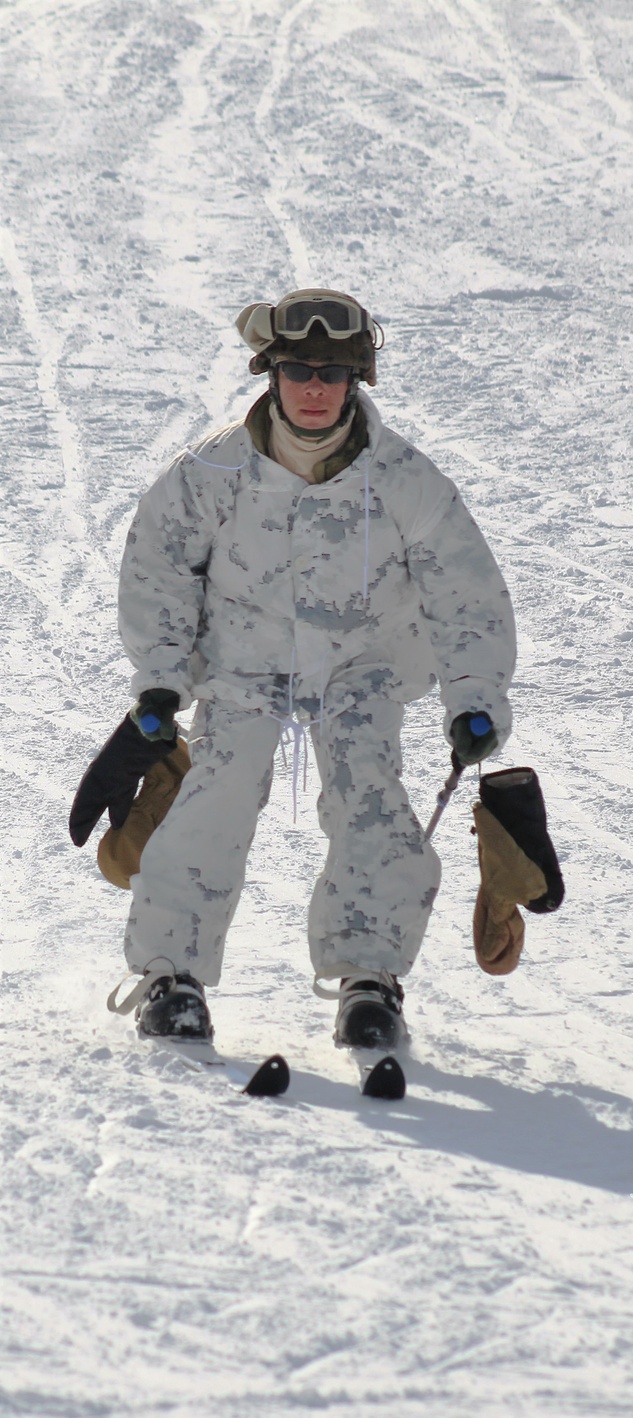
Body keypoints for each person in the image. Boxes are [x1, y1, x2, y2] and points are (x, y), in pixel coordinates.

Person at [72, 289, 516, 1050]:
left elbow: (465, 592)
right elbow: (158, 570)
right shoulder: (211, 471)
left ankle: (370, 981)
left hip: (365, 666)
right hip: (245, 664)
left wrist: (474, 697)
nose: (315, 387)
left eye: (334, 374)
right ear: (270, 374)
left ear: (358, 381)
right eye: (300, 369)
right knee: (217, 792)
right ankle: (169, 976)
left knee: (369, 795)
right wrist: (161, 680)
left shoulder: (405, 479)